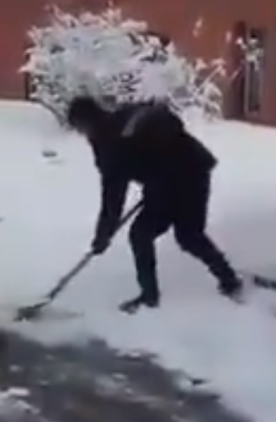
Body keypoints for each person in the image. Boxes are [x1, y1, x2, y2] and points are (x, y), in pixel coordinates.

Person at [66, 95, 242, 313]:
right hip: (182, 176)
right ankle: (222, 281)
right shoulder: (111, 133)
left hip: (190, 174)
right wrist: (104, 233)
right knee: (168, 235)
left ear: (87, 122)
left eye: (79, 128)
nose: (81, 134)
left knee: (180, 235)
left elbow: (113, 193)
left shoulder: (116, 137)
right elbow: (114, 192)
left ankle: (223, 281)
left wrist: (104, 235)